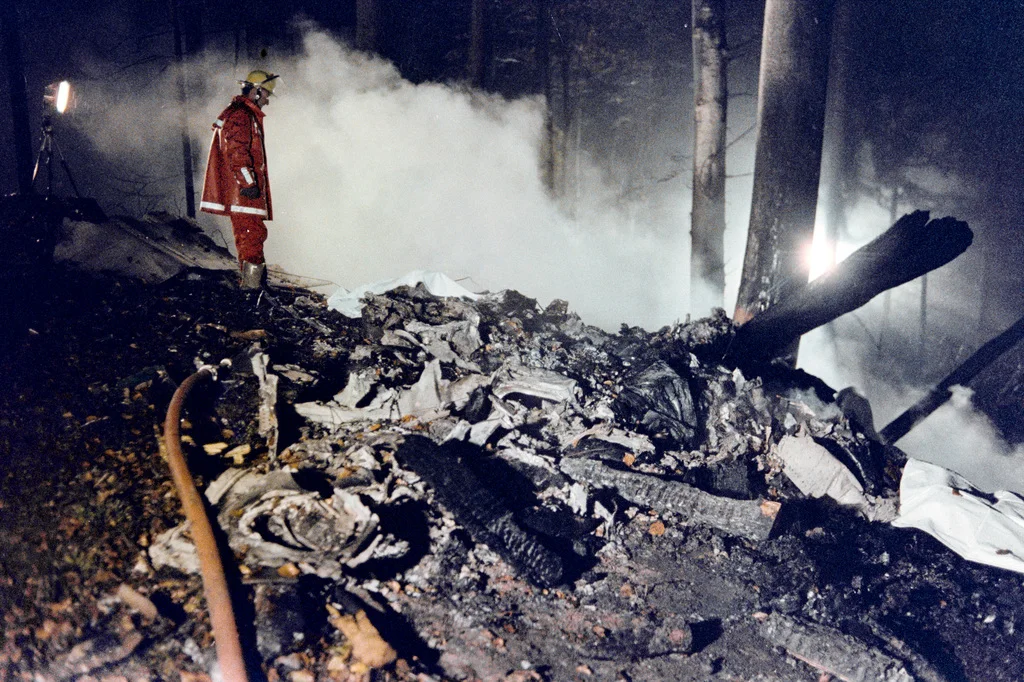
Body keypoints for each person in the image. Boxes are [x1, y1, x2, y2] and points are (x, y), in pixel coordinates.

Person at [200, 69, 279, 289]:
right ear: (256, 91)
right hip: (244, 194)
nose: (267, 101)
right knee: (251, 238)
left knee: (251, 238)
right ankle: (252, 291)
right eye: (266, 95)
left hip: (245, 192)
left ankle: (254, 288)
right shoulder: (241, 115)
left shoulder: (243, 114)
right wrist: (249, 183)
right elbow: (236, 152)